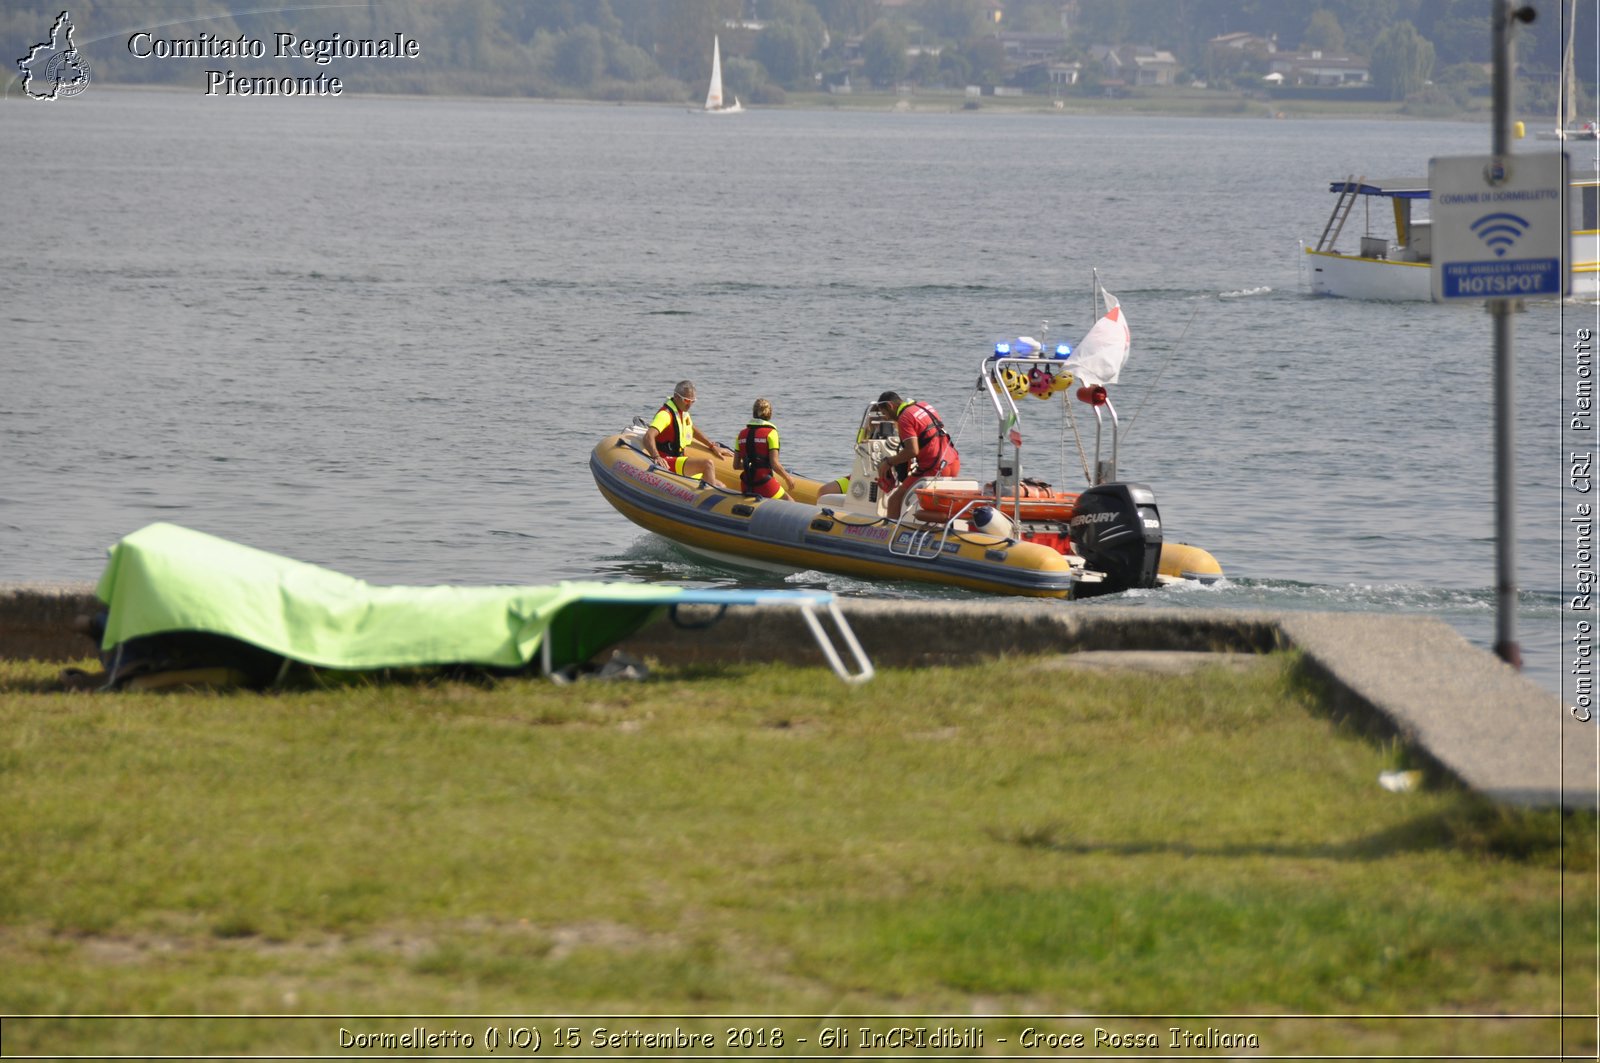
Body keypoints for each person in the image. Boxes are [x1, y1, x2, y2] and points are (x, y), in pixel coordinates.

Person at [873, 390, 960, 519]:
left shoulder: (904, 418)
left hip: (934, 467)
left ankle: (891, 535)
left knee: (894, 500)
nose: (886, 418)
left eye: (885, 413)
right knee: (937, 503)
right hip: (953, 462)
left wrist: (888, 462)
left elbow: (912, 450)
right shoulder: (924, 406)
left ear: (891, 406)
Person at [643, 380, 731, 487]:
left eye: (692, 401)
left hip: (679, 459)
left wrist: (712, 446)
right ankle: (708, 499)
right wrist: (656, 457)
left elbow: (692, 430)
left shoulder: (683, 413)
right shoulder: (665, 415)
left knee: (721, 486)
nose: (689, 405)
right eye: (686, 400)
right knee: (707, 464)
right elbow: (648, 436)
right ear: (676, 396)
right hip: (666, 461)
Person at [733, 398, 797, 499]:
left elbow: (736, 465)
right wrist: (787, 478)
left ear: (753, 413)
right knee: (789, 501)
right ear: (770, 414)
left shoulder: (740, 435)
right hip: (764, 483)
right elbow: (774, 464)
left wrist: (751, 466)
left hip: (746, 484)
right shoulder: (771, 433)